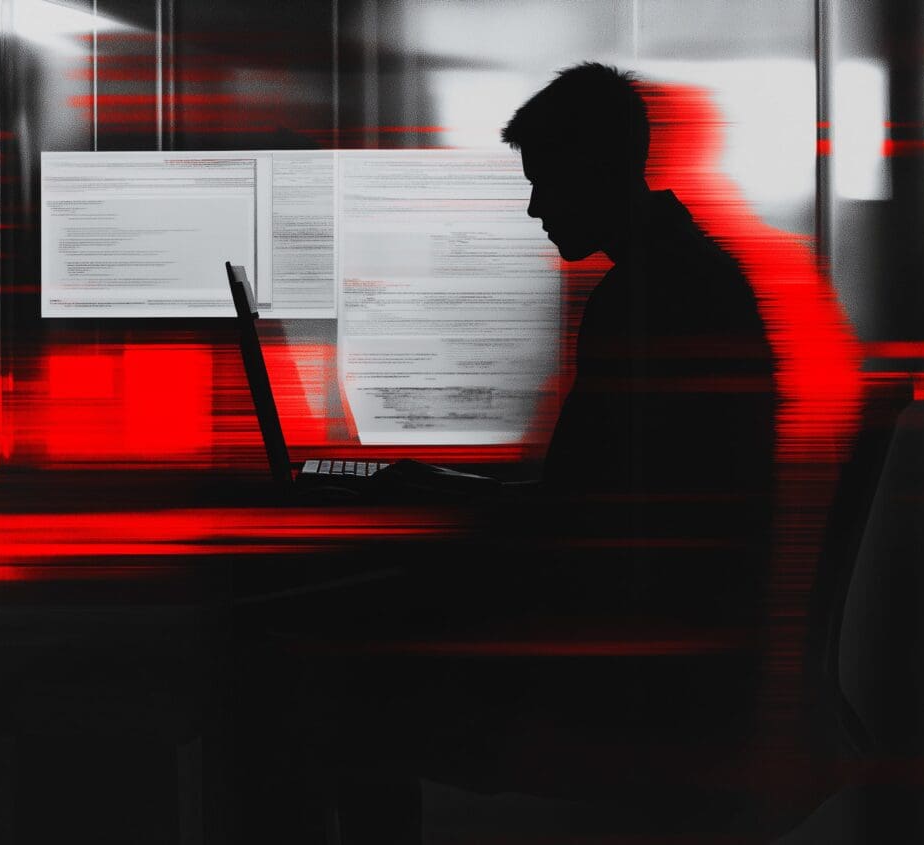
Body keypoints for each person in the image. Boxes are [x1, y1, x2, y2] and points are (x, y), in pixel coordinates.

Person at [241, 63, 780, 842]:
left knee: (325, 677)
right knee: (361, 645)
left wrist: (437, 503)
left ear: (597, 171)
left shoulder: (644, 299)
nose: (533, 209)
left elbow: (570, 534)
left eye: (546, 184)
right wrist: (450, 490)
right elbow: (588, 506)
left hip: (632, 685)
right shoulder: (688, 274)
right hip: (678, 657)